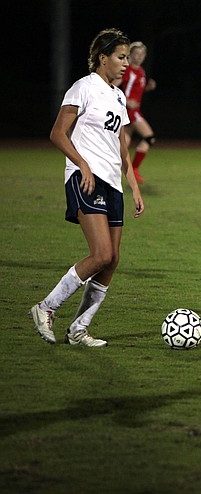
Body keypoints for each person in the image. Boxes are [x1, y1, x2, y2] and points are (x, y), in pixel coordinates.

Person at [29, 28, 145, 347]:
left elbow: (121, 146)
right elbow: (57, 133)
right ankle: (45, 307)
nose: (125, 63)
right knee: (101, 254)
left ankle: (78, 329)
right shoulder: (83, 87)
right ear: (102, 58)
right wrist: (82, 164)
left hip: (112, 183)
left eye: (126, 58)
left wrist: (133, 186)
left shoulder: (118, 96)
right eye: (120, 57)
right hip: (86, 178)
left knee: (113, 259)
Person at [120, 41, 157, 184]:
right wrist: (126, 100)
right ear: (130, 54)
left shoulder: (140, 71)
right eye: (136, 53)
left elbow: (137, 91)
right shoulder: (127, 69)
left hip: (135, 110)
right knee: (149, 137)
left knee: (125, 143)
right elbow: (114, 86)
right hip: (131, 111)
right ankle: (134, 169)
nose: (139, 56)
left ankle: (119, 169)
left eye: (142, 54)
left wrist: (148, 88)